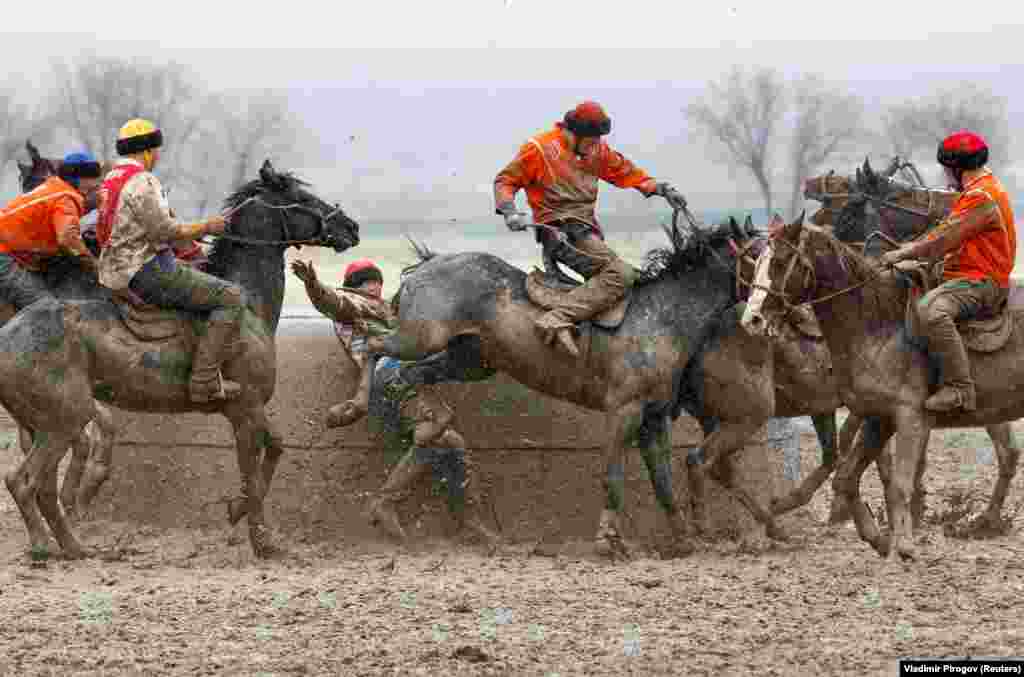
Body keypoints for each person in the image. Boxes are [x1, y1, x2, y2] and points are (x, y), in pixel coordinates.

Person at [291, 257, 497, 545]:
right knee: (439, 437)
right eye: (367, 282)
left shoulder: (375, 309)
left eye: (377, 282)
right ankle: (392, 503)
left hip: (395, 377)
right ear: (354, 287)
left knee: (449, 442)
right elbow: (331, 302)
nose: (375, 287)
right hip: (394, 377)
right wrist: (312, 284)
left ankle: (461, 517)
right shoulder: (352, 305)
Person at [493, 100, 687, 356]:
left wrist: (660, 189)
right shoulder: (539, 149)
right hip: (559, 233)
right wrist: (509, 211)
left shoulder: (596, 150)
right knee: (621, 275)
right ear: (574, 133)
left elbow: (624, 171)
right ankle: (556, 317)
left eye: (598, 141)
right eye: (592, 141)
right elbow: (505, 180)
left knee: (636, 280)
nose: (597, 146)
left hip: (586, 231)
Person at [97, 118, 242, 403]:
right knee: (231, 296)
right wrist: (207, 227)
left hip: (112, 271)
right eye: (157, 150)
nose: (158, 156)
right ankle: (204, 382)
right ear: (148, 150)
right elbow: (163, 230)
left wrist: (188, 239)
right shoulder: (142, 180)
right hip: (143, 272)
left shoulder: (111, 179)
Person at [880, 130, 1016, 412]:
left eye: (946, 169)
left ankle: (960, 388)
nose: (945, 176)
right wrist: (918, 264)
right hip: (964, 275)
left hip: (981, 283)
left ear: (957, 168)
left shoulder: (981, 197)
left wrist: (901, 253)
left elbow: (942, 238)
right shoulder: (981, 189)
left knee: (932, 309)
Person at [0, 150, 102, 309]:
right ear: (78, 179)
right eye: (92, 176)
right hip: (4, 254)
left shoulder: (55, 186)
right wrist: (96, 266)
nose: (97, 182)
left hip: (13, 248)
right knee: (45, 309)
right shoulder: (66, 199)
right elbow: (68, 240)